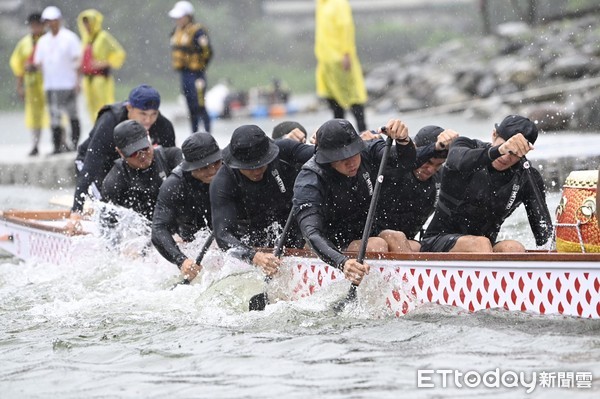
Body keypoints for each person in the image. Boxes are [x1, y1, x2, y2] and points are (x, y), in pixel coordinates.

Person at [293, 119, 416, 286]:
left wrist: (403, 141)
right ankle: (376, 299)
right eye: (342, 157)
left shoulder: (367, 151)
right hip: (329, 247)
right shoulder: (310, 180)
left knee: (397, 237)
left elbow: (405, 162)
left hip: (360, 235)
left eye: (353, 153)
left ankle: (409, 290)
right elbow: (311, 234)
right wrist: (342, 262)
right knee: (376, 244)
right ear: (327, 158)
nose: (351, 162)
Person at [421, 115, 553, 253]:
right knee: (480, 243)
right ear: (494, 135)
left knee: (514, 248)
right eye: (505, 148)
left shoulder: (527, 176)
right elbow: (456, 159)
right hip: (436, 242)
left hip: (485, 250)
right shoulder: (465, 146)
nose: (506, 157)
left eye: (514, 153)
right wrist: (499, 150)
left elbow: (545, 235)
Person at [210, 125, 314, 277]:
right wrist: (254, 257)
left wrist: (324, 139)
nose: (257, 170)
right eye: (249, 167)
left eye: (260, 164)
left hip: (294, 225)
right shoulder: (223, 182)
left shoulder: (284, 149)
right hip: (254, 241)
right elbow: (223, 235)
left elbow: (326, 156)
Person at [69, 84, 176, 223]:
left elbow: (168, 166)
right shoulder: (109, 121)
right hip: (98, 164)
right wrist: (76, 211)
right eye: (143, 114)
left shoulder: (164, 126)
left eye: (153, 114)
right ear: (129, 108)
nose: (148, 120)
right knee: (107, 206)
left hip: (128, 165)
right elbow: (91, 166)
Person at [152, 133, 222, 282]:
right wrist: (181, 260)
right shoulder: (174, 185)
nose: (212, 171)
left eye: (216, 163)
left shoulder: (230, 165)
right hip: (192, 242)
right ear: (191, 167)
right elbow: (158, 230)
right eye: (204, 167)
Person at [377, 125, 459, 251]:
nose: (431, 170)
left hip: (409, 243)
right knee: (396, 237)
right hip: (377, 240)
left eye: (438, 165)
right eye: (428, 162)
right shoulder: (393, 167)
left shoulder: (441, 177)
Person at [101, 120, 182, 221]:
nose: (142, 155)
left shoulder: (173, 158)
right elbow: (108, 229)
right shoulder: (114, 183)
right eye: (134, 153)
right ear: (120, 152)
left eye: (144, 148)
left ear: (148, 136)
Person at [33, 5, 82, 154]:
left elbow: (78, 61)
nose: (51, 24)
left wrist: (78, 81)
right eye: (48, 21)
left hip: (68, 84)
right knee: (55, 116)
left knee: (72, 114)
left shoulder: (69, 37)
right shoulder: (43, 41)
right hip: (51, 85)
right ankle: (57, 146)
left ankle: (74, 143)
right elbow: (38, 62)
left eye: (53, 20)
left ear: (59, 20)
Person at [315, 0, 368, 132]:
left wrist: (346, 52)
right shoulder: (321, 4)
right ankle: (339, 135)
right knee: (332, 97)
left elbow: (346, 27)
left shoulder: (339, 3)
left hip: (340, 59)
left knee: (352, 95)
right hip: (326, 60)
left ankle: (364, 134)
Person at [168, 0, 213, 133]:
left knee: (200, 105)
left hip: (196, 74)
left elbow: (207, 52)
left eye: (180, 17)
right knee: (190, 107)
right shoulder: (177, 31)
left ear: (188, 16)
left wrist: (200, 67)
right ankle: (194, 135)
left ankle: (208, 135)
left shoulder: (198, 32)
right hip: (184, 74)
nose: (178, 20)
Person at [9, 12, 49, 156]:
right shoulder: (24, 43)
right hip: (32, 84)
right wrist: (19, 86)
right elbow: (18, 65)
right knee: (34, 115)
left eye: (38, 24)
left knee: (54, 112)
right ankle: (35, 144)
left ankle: (61, 142)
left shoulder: (48, 40)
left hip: (48, 82)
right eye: (33, 25)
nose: (35, 28)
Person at [77, 9, 126, 122]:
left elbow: (119, 53)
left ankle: (107, 127)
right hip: (87, 79)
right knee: (91, 107)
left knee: (104, 106)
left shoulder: (103, 37)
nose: (86, 26)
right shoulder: (85, 39)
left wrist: (104, 63)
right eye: (84, 23)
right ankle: (96, 129)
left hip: (101, 79)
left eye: (88, 22)